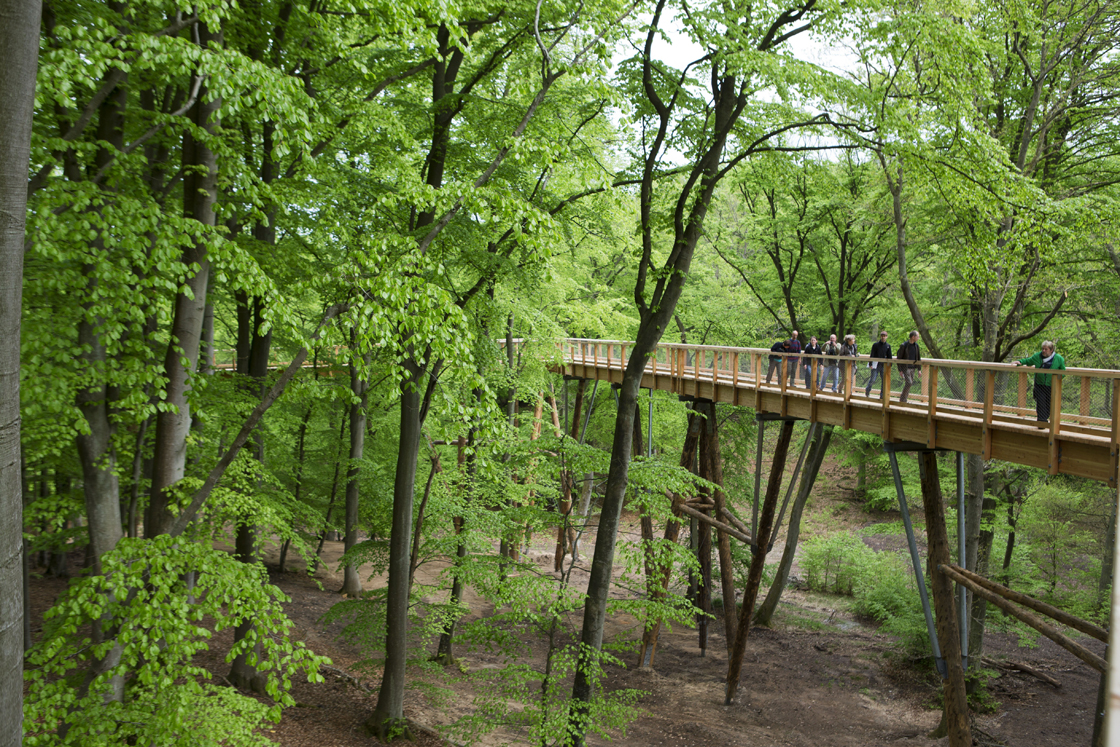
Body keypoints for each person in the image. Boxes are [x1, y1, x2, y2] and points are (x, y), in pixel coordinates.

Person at [1014, 340, 1066, 423]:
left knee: (1049, 404)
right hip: (1039, 384)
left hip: (1051, 385)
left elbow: (1063, 371)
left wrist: (1056, 378)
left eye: (1046, 349)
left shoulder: (1059, 359)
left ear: (1051, 350)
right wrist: (1019, 362)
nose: (1043, 351)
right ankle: (1041, 422)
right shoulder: (1037, 356)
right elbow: (1028, 361)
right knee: (1040, 403)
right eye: (1043, 349)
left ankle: (1044, 420)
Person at [897, 330, 922, 403]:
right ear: (913, 337)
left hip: (913, 367)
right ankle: (902, 399)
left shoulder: (916, 346)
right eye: (917, 336)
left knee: (909, 384)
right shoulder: (904, 345)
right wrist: (900, 370)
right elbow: (899, 358)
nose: (918, 338)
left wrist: (919, 369)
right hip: (906, 367)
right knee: (909, 383)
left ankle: (904, 399)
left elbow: (918, 358)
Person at [865, 330, 891, 399]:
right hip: (875, 364)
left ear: (886, 337)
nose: (883, 337)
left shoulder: (888, 346)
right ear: (880, 336)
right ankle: (868, 390)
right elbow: (872, 354)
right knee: (873, 379)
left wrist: (889, 365)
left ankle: (882, 394)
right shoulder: (875, 345)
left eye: (884, 336)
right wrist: (870, 363)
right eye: (882, 336)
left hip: (883, 365)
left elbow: (889, 356)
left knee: (884, 380)